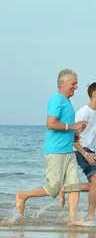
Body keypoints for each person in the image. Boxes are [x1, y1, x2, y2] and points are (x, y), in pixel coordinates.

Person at [15, 69, 89, 226]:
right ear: (63, 83)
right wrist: (73, 126)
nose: (76, 87)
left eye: (76, 83)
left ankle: (72, 220)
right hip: (55, 151)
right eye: (73, 83)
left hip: (68, 150)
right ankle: (23, 195)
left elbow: (64, 125)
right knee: (53, 188)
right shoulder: (56, 99)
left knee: (74, 185)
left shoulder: (67, 101)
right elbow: (51, 123)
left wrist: (74, 132)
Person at [60, 82, 96, 218]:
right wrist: (85, 153)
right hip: (80, 149)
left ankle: (67, 188)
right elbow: (72, 137)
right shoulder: (83, 112)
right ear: (94, 94)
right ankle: (91, 215)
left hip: (89, 150)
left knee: (95, 184)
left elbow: (91, 128)